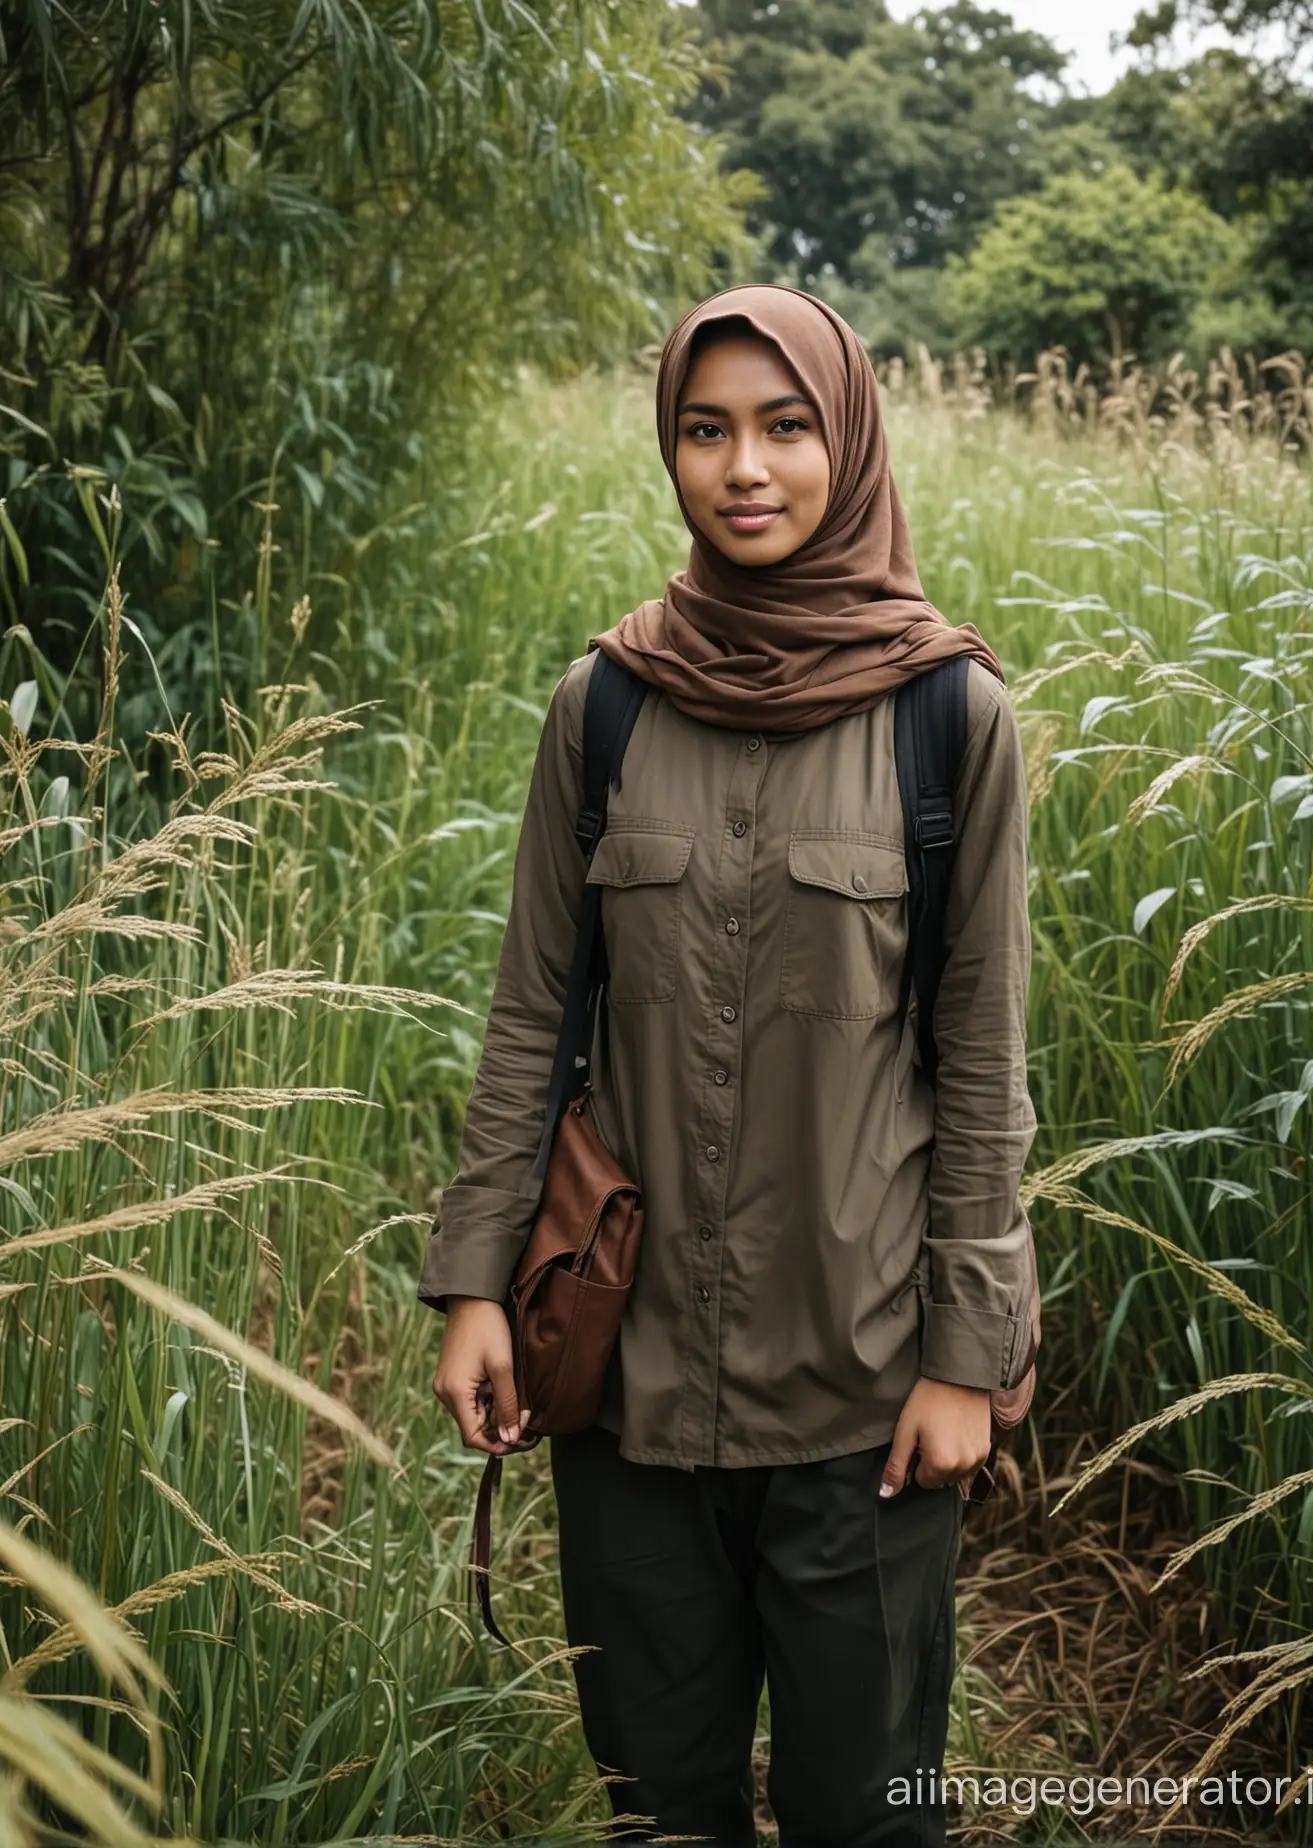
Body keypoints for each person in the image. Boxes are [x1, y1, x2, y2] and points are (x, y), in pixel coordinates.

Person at [419, 284, 1037, 1848]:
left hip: (865, 1386)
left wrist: (969, 1355)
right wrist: (477, 1283)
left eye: (785, 426)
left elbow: (981, 1062)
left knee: (865, 1815)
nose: (743, 468)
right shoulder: (609, 703)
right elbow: (528, 1017)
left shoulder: (947, 717)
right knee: (663, 1813)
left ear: (852, 441)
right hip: (627, 1383)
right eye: (706, 431)